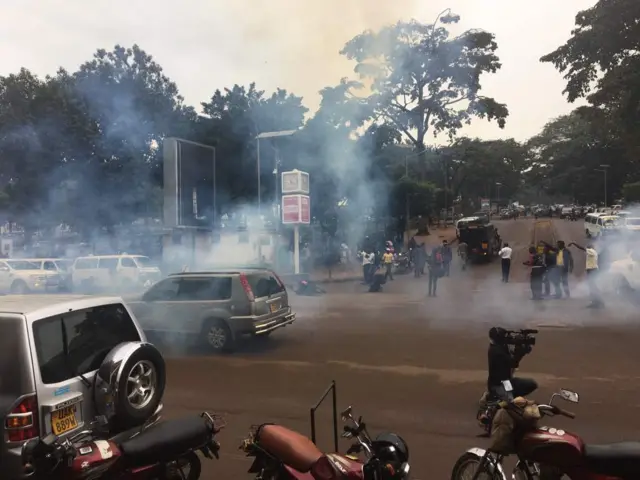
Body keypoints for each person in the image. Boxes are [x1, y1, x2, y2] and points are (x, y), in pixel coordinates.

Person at [486, 327, 537, 398]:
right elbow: (513, 363)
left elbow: (513, 361)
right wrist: (520, 352)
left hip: (506, 381)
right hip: (498, 385)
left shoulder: (501, 347)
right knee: (510, 402)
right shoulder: (496, 351)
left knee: (532, 384)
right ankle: (493, 396)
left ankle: (507, 396)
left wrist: (520, 349)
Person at [569, 241, 603, 308]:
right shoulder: (592, 253)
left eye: (588, 247)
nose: (587, 248)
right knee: (592, 286)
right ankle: (596, 302)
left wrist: (574, 244)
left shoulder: (591, 251)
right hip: (592, 270)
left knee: (593, 286)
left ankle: (598, 302)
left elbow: (581, 248)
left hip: (592, 270)